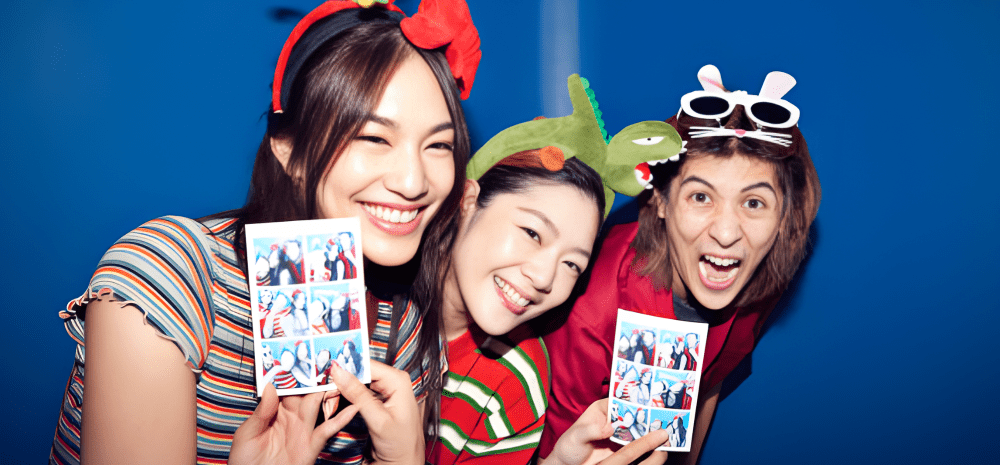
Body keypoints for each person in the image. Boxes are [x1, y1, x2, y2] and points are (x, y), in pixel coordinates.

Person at [49, 1, 482, 464]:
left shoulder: (405, 318)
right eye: (374, 138)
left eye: (439, 144)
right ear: (288, 150)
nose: (415, 182)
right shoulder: (171, 277)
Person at [539, 64, 822, 464]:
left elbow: (709, 380)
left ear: (782, 220)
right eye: (701, 197)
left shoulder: (756, 274)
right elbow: (554, 451)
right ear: (660, 200)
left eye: (754, 203)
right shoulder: (591, 309)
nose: (727, 234)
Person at [426, 73, 683, 465]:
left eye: (571, 264)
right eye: (532, 232)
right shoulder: (361, 298)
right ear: (468, 201)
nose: (545, 278)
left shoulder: (517, 386)